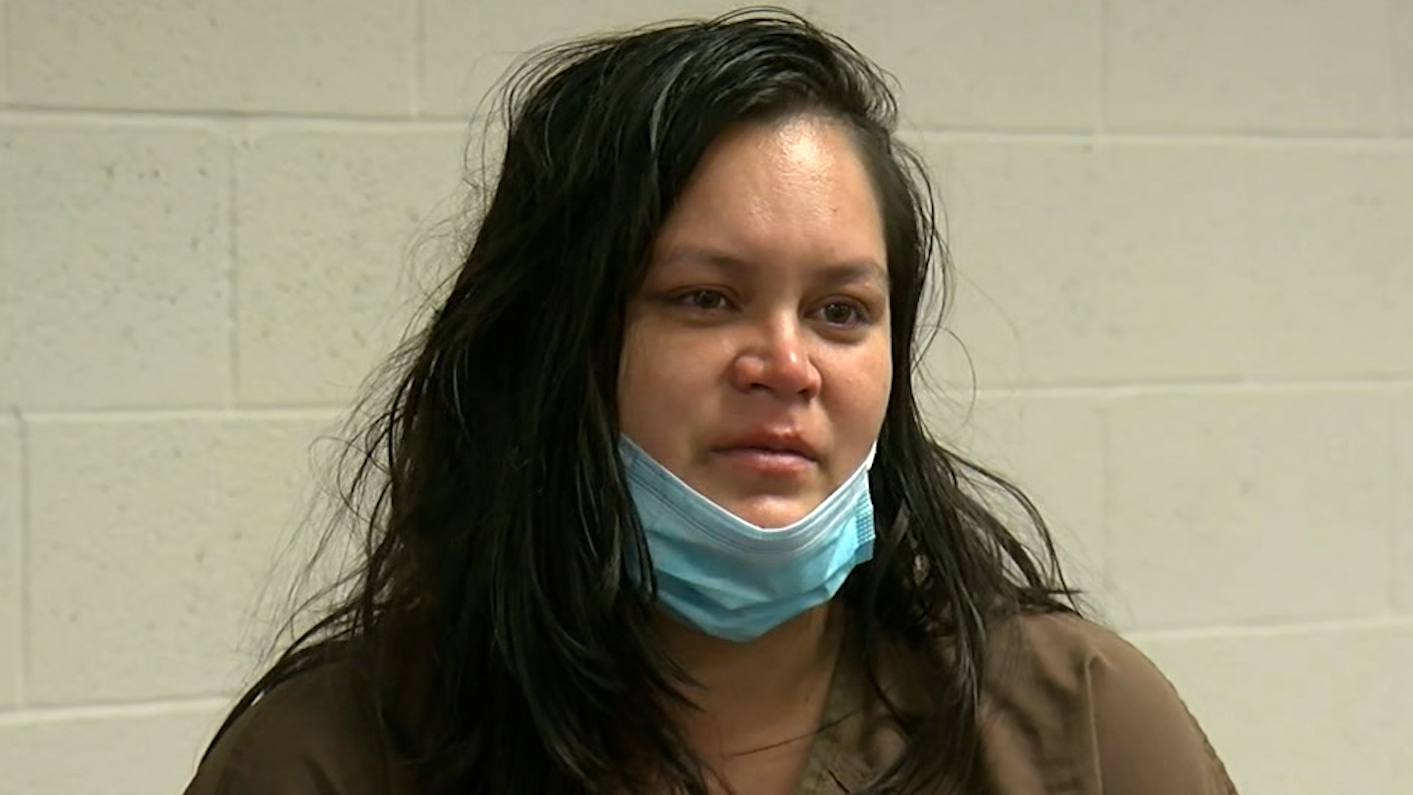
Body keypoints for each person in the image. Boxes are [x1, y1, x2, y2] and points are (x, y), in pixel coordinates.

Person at [183, 9, 1238, 795]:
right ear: (557, 347)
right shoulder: (332, 757)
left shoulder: (1078, 726)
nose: (786, 364)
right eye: (704, 298)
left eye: (839, 311)